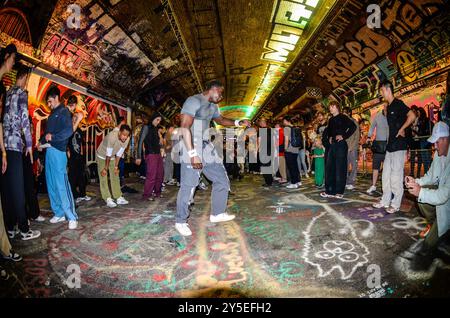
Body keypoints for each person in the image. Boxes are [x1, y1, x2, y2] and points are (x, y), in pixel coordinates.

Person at [175, 80, 250, 237]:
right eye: (220, 93)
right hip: (191, 144)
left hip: (206, 144)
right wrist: (192, 154)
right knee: (189, 185)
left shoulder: (214, 106)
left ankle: (217, 213)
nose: (221, 96)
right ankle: (180, 221)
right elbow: (184, 127)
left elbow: (220, 120)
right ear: (213, 89)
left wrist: (238, 122)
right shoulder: (193, 101)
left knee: (221, 177)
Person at [404, 122, 450, 270]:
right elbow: (430, 176)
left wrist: (420, 191)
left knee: (428, 247)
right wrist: (416, 182)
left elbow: (443, 196)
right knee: (422, 196)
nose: (434, 147)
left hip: (447, 203)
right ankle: (434, 223)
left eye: (437, 142)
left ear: (445, 139)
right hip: (444, 200)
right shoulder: (438, 153)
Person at [2, 65, 41, 240]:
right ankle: (24, 230)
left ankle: (10, 227)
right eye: (28, 79)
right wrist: (30, 146)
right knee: (18, 188)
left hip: (4, 145)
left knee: (8, 189)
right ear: (24, 77)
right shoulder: (21, 94)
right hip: (17, 145)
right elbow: (25, 120)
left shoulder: (8, 93)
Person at [373, 80, 416, 213]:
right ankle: (385, 200)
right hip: (390, 146)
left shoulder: (398, 103)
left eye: (382, 91)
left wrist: (403, 128)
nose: (381, 94)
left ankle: (396, 204)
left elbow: (412, 115)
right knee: (385, 175)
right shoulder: (389, 106)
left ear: (387, 89)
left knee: (396, 175)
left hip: (399, 145)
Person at [38, 86, 78, 229]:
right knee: (51, 184)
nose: (49, 104)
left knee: (62, 185)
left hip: (59, 152)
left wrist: (52, 137)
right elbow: (47, 134)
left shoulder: (64, 111)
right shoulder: (51, 115)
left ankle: (71, 215)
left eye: (50, 101)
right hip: (49, 152)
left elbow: (68, 131)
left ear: (56, 98)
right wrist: (40, 142)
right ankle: (59, 213)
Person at [320, 101, 356, 199]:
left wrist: (344, 136)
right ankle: (329, 191)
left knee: (340, 168)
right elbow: (329, 132)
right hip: (332, 146)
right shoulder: (330, 119)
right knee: (330, 168)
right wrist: (329, 139)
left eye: (332, 106)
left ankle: (339, 191)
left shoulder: (343, 117)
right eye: (330, 107)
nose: (330, 108)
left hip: (341, 146)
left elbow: (353, 127)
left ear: (337, 107)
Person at [96, 124, 131, 208]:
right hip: (102, 155)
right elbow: (108, 154)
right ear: (119, 132)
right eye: (123, 135)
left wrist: (116, 166)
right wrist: (105, 168)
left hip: (112, 156)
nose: (125, 137)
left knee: (115, 175)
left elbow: (119, 154)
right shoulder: (112, 137)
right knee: (103, 176)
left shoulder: (127, 139)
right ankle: (107, 198)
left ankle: (118, 196)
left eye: (126, 135)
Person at [67, 95, 90, 204]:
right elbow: (66, 140)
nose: (76, 119)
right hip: (71, 155)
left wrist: (81, 153)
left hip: (79, 156)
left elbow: (81, 143)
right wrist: (67, 152)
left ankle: (83, 194)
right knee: (72, 176)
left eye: (77, 118)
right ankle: (73, 194)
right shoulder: (69, 129)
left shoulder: (79, 130)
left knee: (81, 175)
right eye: (74, 117)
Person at [136, 112, 164, 201]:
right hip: (150, 154)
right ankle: (147, 195)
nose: (158, 122)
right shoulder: (146, 127)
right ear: (153, 118)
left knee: (160, 174)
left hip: (158, 154)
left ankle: (157, 192)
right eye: (157, 120)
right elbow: (140, 142)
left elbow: (158, 143)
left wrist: (161, 145)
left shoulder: (155, 129)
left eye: (160, 120)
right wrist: (138, 156)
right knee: (151, 175)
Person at [366, 103, 388, 194]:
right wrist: (368, 137)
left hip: (389, 145)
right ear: (384, 107)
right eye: (386, 106)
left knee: (387, 168)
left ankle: (386, 187)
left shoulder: (392, 116)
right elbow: (372, 127)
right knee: (376, 167)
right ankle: (373, 185)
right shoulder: (378, 116)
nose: (387, 108)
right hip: (379, 145)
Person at [343, 107, 360, 190]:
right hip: (345, 148)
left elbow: (357, 137)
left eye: (344, 113)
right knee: (345, 166)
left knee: (353, 166)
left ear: (349, 113)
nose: (343, 114)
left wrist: (351, 147)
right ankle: (346, 181)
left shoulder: (354, 122)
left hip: (352, 148)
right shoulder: (343, 123)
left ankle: (351, 182)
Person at [283, 116, 301, 189]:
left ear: (287, 121)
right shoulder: (296, 128)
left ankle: (294, 183)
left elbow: (286, 140)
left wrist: (285, 149)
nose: (283, 122)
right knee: (295, 166)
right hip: (296, 149)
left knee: (291, 167)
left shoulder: (286, 128)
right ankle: (298, 181)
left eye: (284, 120)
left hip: (289, 149)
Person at [416, 107, 433, 177]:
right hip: (422, 139)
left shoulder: (426, 120)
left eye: (419, 112)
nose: (418, 114)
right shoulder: (419, 120)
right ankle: (427, 174)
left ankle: (432, 173)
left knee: (427, 157)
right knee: (424, 158)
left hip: (426, 139)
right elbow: (420, 131)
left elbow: (426, 130)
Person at [258, 118, 273, 187]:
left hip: (263, 151)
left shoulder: (261, 130)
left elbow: (259, 141)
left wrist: (258, 149)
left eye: (260, 122)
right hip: (270, 150)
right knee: (268, 166)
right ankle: (270, 180)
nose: (259, 124)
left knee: (264, 167)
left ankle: (268, 182)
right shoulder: (270, 130)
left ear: (262, 123)